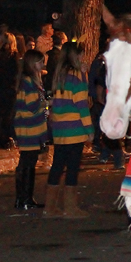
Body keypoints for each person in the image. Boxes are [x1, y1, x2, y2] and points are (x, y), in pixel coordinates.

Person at [45, 42, 93, 218]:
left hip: (59, 128)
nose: (83, 58)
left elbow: (52, 101)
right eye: (81, 55)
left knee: (57, 166)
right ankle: (70, 208)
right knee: (72, 168)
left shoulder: (59, 76)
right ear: (76, 57)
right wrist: (89, 128)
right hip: (74, 128)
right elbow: (82, 104)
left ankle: (49, 208)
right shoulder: (76, 79)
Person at [13, 49, 49, 210]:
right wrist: (47, 103)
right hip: (28, 127)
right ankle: (25, 198)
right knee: (28, 162)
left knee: (28, 162)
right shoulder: (28, 82)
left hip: (30, 126)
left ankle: (24, 198)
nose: (43, 65)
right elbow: (32, 105)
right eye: (41, 62)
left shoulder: (30, 80)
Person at [0, 32, 19, 150]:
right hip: (10, 88)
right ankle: (5, 138)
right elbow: (15, 73)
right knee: (8, 115)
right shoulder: (13, 55)